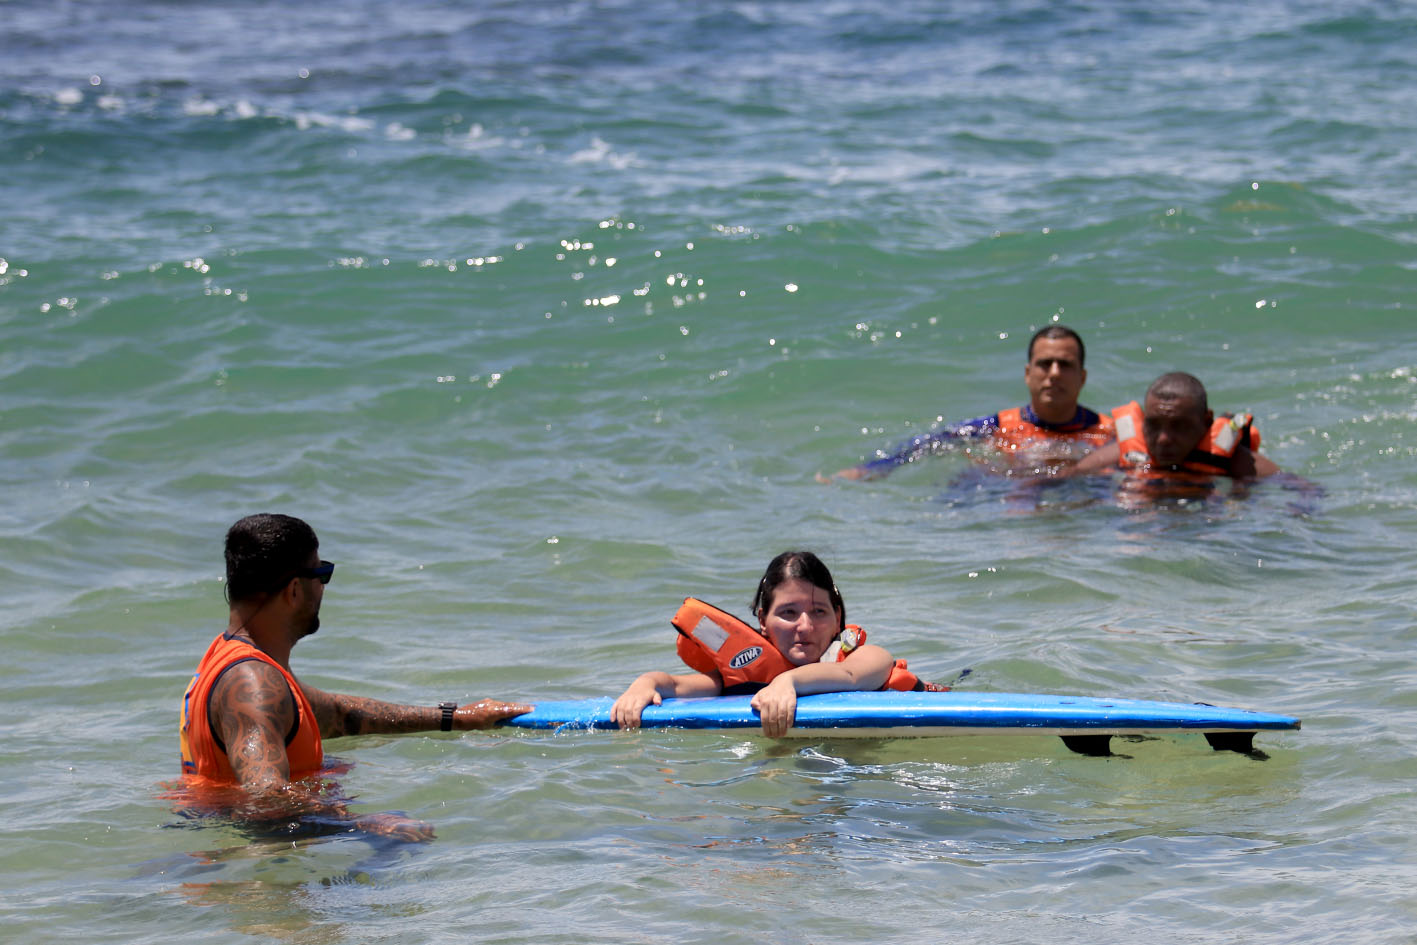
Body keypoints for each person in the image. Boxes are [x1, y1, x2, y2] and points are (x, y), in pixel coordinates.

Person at [178, 513, 530, 839]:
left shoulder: (232, 659)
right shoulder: (253, 683)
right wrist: (365, 824)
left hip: (253, 862)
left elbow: (342, 717)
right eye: (322, 575)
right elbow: (267, 797)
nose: (324, 588)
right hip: (264, 876)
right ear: (294, 590)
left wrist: (459, 718)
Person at [610, 551, 944, 738]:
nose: (805, 626)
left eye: (818, 611)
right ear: (762, 620)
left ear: (837, 616)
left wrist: (788, 681)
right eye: (787, 612)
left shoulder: (860, 657)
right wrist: (646, 683)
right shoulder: (745, 673)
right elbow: (676, 685)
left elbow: (856, 678)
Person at [822, 324, 1113, 481]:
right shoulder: (998, 426)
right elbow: (931, 444)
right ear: (1028, 374)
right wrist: (873, 469)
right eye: (1044, 364)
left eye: (1065, 365)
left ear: (1083, 376)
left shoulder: (1109, 433)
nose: (1054, 374)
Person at [1070, 372, 1280, 479]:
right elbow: (1068, 476)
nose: (1163, 439)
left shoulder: (1240, 464)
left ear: (1206, 422)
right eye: (1153, 425)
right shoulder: (1124, 455)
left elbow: (1298, 488)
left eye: (1179, 426)